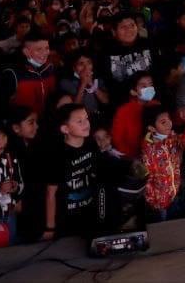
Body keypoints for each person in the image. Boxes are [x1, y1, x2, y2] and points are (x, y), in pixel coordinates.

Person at [40, 103, 101, 239]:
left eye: (86, 118)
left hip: (90, 211)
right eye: (79, 121)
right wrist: (50, 227)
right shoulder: (57, 154)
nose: (86, 124)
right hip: (66, 217)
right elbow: (51, 193)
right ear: (65, 129)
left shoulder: (91, 144)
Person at [141, 106, 185, 221]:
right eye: (163, 122)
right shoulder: (148, 149)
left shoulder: (172, 138)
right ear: (151, 128)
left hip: (175, 194)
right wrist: (153, 200)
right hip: (159, 203)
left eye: (169, 120)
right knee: (163, 229)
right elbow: (146, 178)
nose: (169, 124)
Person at [110, 72, 160, 159]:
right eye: (143, 86)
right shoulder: (123, 111)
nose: (149, 88)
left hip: (159, 154)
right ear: (133, 91)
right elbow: (117, 140)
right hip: (135, 158)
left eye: (150, 85)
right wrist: (135, 158)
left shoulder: (157, 105)